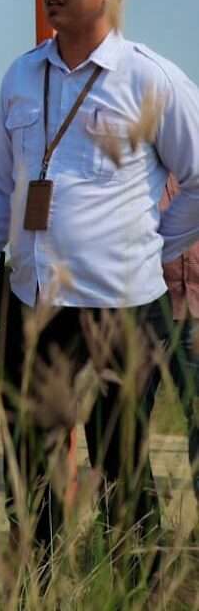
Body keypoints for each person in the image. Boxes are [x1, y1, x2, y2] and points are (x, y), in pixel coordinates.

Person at [0, 0, 199, 577]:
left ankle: (136, 583)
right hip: (31, 301)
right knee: (30, 457)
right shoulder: (22, 77)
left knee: (123, 458)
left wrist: (156, 244)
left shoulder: (151, 79)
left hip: (124, 302)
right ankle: (37, 581)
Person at [162, 174, 198, 505]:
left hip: (197, 308)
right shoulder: (136, 155)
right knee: (125, 421)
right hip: (144, 307)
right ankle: (133, 532)